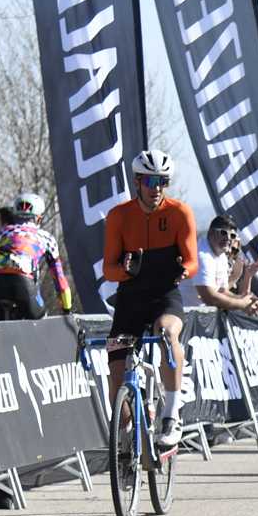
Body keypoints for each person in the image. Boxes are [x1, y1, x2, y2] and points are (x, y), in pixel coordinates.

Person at [103, 151, 199, 451]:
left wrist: (182, 270)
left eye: (162, 181)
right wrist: (125, 270)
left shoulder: (179, 212)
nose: (156, 187)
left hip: (165, 295)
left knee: (168, 333)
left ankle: (171, 414)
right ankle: (128, 429)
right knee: (116, 372)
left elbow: (193, 260)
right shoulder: (119, 216)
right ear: (137, 182)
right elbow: (108, 270)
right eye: (150, 181)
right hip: (130, 298)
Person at [0, 192, 73, 321]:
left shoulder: (1, 233)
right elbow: (59, 278)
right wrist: (67, 308)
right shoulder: (46, 238)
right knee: (40, 322)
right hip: (21, 283)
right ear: (39, 218)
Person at [184, 214, 258, 316]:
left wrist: (247, 301)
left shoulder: (221, 255)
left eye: (232, 235)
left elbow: (222, 291)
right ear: (211, 233)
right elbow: (209, 297)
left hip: (200, 318)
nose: (228, 238)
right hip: (185, 318)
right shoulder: (202, 256)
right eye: (223, 233)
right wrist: (241, 304)